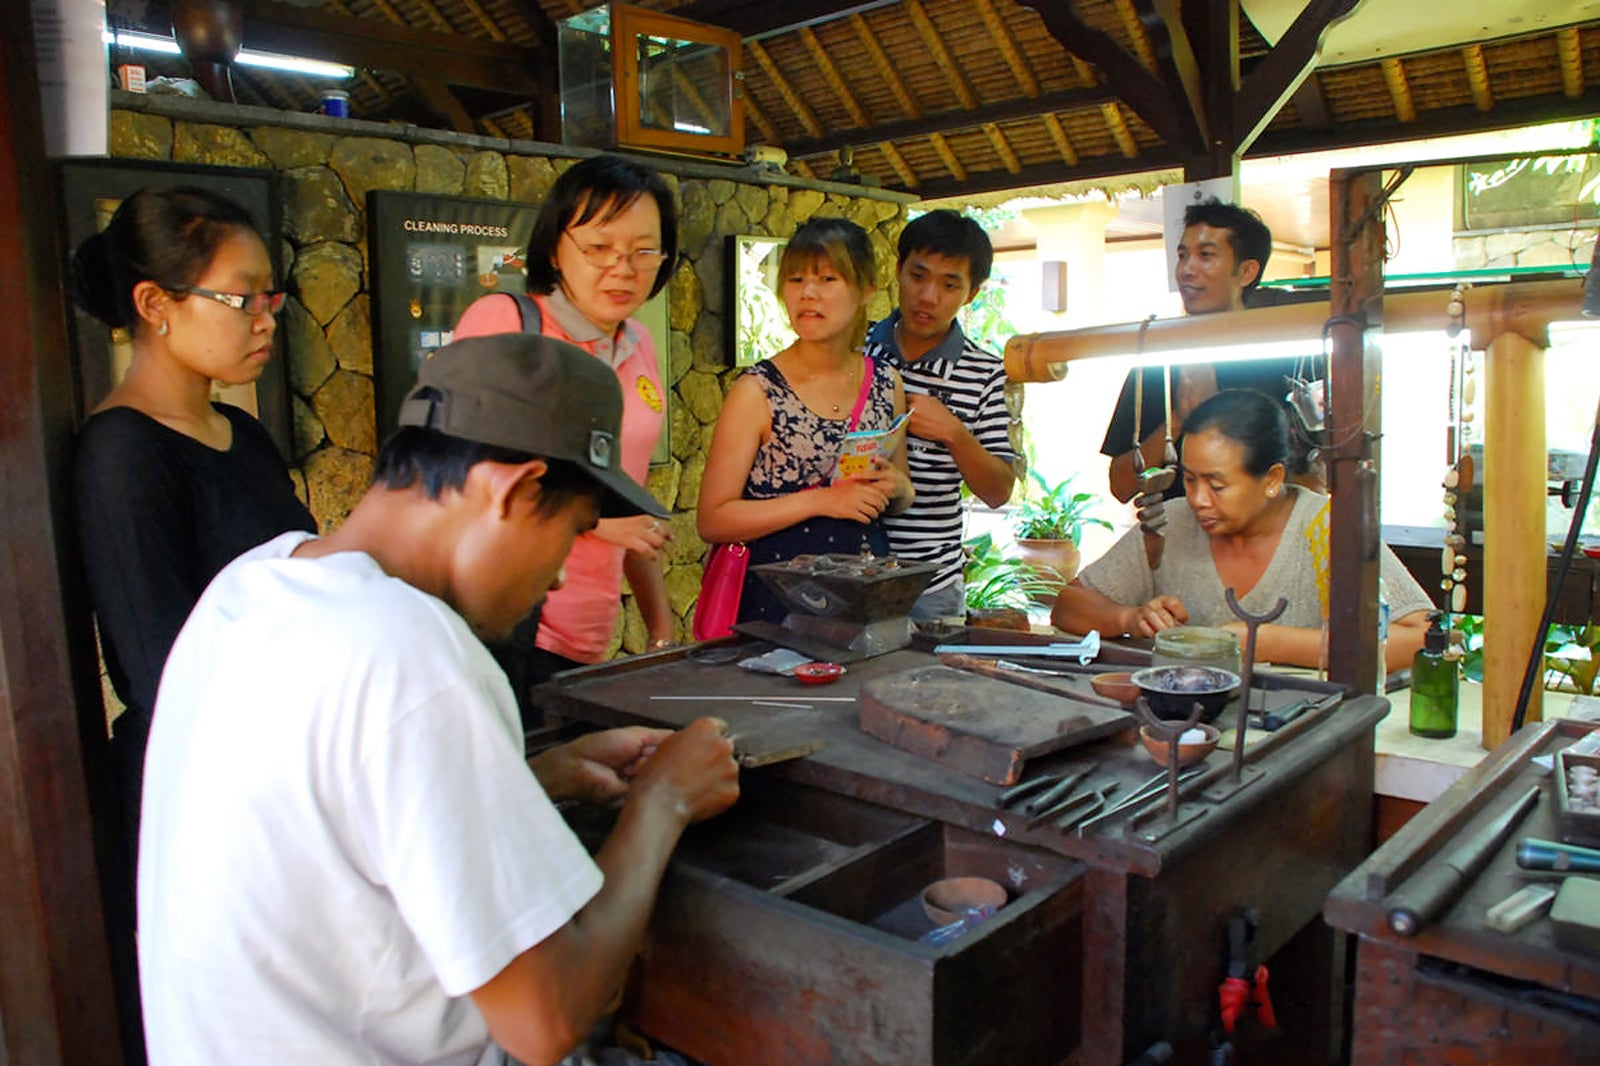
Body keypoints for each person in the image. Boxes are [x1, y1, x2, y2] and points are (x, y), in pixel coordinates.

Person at [137, 333, 741, 1066]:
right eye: (572, 535)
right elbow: (547, 1021)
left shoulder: (251, 586)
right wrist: (664, 804)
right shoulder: (412, 651)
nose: (555, 580)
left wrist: (529, 782)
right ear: (515, 491)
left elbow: (338, 816)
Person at [70, 186, 316, 1065]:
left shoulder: (242, 436)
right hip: (201, 792)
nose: (264, 319)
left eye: (269, 298)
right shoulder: (122, 454)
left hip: (280, 770)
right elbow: (160, 667)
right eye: (240, 297)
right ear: (154, 306)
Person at [454, 154, 677, 718]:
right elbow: (466, 474)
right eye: (599, 248)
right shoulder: (506, 324)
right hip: (509, 623)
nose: (623, 268)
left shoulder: (639, 347)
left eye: (643, 250)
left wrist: (660, 629)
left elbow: (631, 502)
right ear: (556, 248)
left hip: (588, 635)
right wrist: (597, 522)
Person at [1055, 389, 1430, 673]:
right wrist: (1130, 618)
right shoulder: (1171, 523)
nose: (1199, 499)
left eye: (1217, 486)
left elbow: (1420, 637)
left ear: (1272, 479)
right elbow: (1069, 606)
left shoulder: (1327, 527)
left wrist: (1264, 642)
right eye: (1188, 479)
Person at [698, 216, 914, 625]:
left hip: (864, 599)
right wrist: (822, 500)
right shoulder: (757, 390)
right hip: (776, 605)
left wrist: (899, 487)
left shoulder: (886, 382)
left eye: (828, 279)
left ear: (866, 288)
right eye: (796, 280)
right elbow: (713, 519)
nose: (808, 294)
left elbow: (901, 491)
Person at [1101, 198, 1323, 505]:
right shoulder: (1157, 362)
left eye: (1206, 255)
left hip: (1268, 546)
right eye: (1182, 255)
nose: (1187, 270)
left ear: (1246, 272)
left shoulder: (1292, 357)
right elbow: (1121, 486)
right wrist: (1180, 419)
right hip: (1180, 546)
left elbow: (1320, 481)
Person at [862, 209, 1016, 622]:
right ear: (897, 270)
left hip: (932, 587)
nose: (928, 296)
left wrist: (954, 433)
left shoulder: (986, 374)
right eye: (918, 276)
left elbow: (999, 490)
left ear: (972, 293)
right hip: (850, 577)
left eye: (949, 285)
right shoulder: (855, 352)